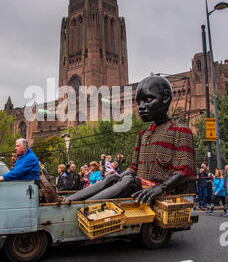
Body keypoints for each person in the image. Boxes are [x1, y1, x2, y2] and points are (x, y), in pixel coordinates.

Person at [68, 75, 196, 203]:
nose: (141, 106)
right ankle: (67, 201)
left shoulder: (180, 131)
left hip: (164, 193)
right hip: (142, 191)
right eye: (139, 102)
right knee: (112, 177)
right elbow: (133, 169)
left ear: (166, 98)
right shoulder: (143, 135)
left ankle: (80, 207)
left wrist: (161, 187)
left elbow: (185, 172)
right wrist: (116, 178)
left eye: (148, 100)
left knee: (129, 180)